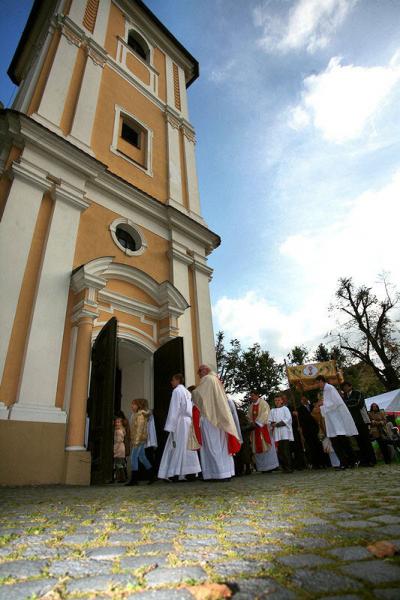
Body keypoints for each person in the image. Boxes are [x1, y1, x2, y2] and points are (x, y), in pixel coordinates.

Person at [190, 365, 241, 481]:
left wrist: (192, 393)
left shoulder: (207, 379)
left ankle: (217, 473)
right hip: (219, 418)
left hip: (210, 418)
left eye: (200, 372)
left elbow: (198, 396)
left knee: (212, 446)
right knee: (222, 447)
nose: (199, 374)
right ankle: (226, 472)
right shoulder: (216, 380)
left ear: (206, 371)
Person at [158, 374, 201, 481]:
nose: (171, 382)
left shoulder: (177, 391)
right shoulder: (186, 391)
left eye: (172, 380)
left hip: (180, 422)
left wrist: (170, 426)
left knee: (176, 446)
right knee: (187, 446)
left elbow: (174, 409)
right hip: (187, 422)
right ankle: (190, 472)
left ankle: (174, 473)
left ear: (177, 380)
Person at [316, 376, 358, 469]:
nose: (318, 385)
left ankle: (350, 461)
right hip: (332, 421)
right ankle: (345, 462)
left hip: (337, 420)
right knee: (337, 442)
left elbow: (337, 402)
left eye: (318, 382)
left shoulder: (330, 388)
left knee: (341, 442)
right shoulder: (325, 391)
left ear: (322, 381)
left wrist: (323, 405)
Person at [342, 381, 376, 466]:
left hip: (362, 420)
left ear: (350, 386)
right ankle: (364, 460)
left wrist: (347, 405)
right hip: (353, 422)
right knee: (359, 442)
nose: (345, 388)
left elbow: (359, 404)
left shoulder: (357, 393)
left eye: (346, 386)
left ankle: (372, 460)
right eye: (344, 387)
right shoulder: (345, 397)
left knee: (366, 441)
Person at [247, 391, 279, 473]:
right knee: (257, 448)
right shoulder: (251, 406)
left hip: (263, 429)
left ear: (257, 395)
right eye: (251, 396)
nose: (252, 397)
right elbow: (249, 417)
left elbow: (265, 414)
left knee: (267, 446)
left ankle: (271, 467)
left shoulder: (263, 404)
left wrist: (257, 423)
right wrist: (251, 422)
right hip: (255, 431)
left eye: (253, 395)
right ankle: (261, 467)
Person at [126, 398, 156, 485]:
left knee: (133, 457)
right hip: (140, 440)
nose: (132, 406)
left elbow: (139, 430)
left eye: (133, 404)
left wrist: (136, 441)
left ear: (138, 405)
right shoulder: (137, 415)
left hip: (139, 440)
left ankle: (134, 479)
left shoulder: (140, 415)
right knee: (142, 457)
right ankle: (152, 475)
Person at [296, 396, 327, 469]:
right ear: (301, 401)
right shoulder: (299, 409)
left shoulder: (312, 406)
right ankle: (315, 464)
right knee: (311, 447)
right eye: (302, 399)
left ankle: (323, 462)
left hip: (316, 428)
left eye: (305, 399)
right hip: (307, 430)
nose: (304, 400)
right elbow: (300, 420)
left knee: (319, 445)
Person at [268, 395, 294, 473]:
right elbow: (269, 421)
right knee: (280, 451)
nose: (277, 402)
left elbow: (288, 419)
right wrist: (272, 424)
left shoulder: (285, 409)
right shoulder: (272, 411)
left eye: (279, 400)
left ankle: (289, 467)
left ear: (282, 401)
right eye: (275, 400)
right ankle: (284, 467)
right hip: (277, 433)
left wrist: (277, 424)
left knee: (286, 450)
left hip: (284, 431)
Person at [234, 408, 254, 476]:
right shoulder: (235, 418)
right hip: (241, 438)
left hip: (244, 438)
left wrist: (245, 428)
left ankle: (245, 469)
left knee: (245, 454)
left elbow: (249, 427)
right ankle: (240, 470)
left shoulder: (241, 418)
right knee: (241, 455)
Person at [113, 416, 127, 483]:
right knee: (120, 464)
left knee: (119, 464)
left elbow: (118, 441)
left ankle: (120, 478)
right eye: (116, 422)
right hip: (121, 448)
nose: (117, 423)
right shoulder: (120, 429)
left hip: (119, 448)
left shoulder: (119, 431)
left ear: (121, 423)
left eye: (118, 422)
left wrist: (115, 450)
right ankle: (121, 477)